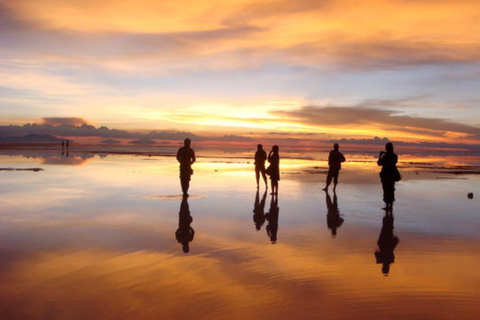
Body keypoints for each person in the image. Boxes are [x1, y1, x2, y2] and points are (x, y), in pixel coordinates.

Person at [377, 142, 398, 208]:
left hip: (386, 175)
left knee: (386, 190)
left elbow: (379, 163)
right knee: (391, 189)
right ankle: (390, 205)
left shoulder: (385, 156)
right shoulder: (394, 156)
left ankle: (387, 205)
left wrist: (380, 156)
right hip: (392, 174)